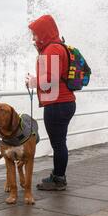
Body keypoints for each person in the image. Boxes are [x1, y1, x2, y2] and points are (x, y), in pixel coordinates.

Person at [26, 14, 76, 191]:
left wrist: (33, 82)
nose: (33, 38)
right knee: (60, 142)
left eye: (36, 34)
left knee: (58, 143)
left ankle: (59, 179)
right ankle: (57, 175)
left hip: (57, 104)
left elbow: (51, 80)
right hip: (64, 102)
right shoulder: (58, 47)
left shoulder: (52, 49)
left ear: (44, 32)